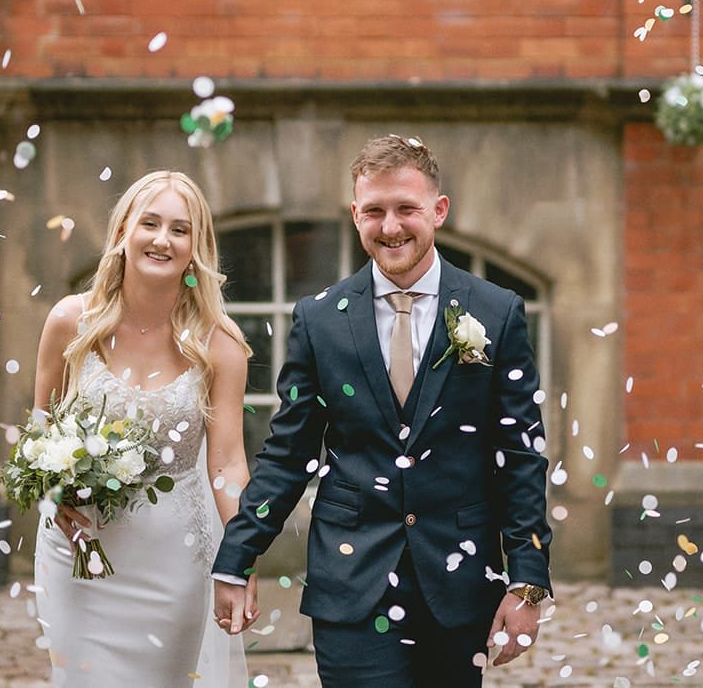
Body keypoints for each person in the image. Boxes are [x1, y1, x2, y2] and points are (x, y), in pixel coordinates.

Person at [211, 135, 553, 686]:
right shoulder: (318, 319)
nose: (390, 226)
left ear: (438, 211)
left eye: (406, 209)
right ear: (355, 215)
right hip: (350, 579)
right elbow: (288, 453)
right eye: (374, 211)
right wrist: (237, 557)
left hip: (458, 580)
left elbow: (520, 456)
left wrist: (527, 582)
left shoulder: (497, 312)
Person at [31, 170, 252, 685]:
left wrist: (240, 558)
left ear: (196, 247)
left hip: (171, 561)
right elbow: (37, 433)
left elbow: (227, 462)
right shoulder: (70, 322)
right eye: (149, 223)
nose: (162, 239)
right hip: (78, 553)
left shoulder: (219, 344)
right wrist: (51, 492)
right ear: (123, 231)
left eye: (180, 229)